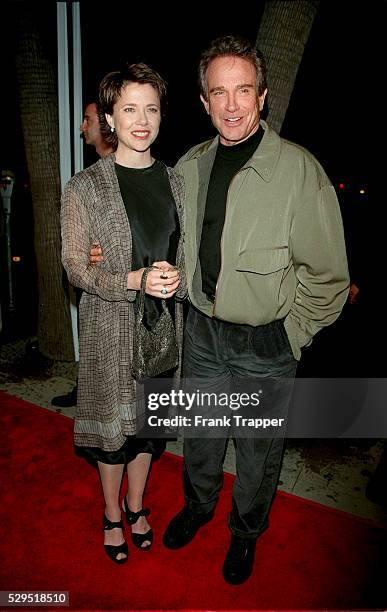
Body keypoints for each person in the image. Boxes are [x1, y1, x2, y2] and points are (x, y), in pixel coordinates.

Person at [90, 36, 349, 583]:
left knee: (257, 455)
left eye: (244, 91)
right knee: (202, 438)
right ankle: (200, 507)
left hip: (265, 343)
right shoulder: (189, 166)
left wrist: (290, 335)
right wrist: (101, 250)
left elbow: (328, 277)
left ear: (262, 98)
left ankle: (245, 533)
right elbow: (153, 226)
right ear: (205, 103)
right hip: (202, 333)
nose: (232, 105)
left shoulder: (300, 171)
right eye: (219, 93)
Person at [60, 62, 185, 564]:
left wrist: (180, 278)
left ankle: (137, 505)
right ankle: (112, 513)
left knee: (146, 433)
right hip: (109, 331)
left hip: (162, 330)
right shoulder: (85, 186)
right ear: (109, 117)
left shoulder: (178, 183)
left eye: (150, 108)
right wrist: (128, 280)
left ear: (161, 116)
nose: (141, 119)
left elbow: (191, 251)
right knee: (112, 434)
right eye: (129, 108)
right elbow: (74, 266)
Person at [52, 102, 115, 409]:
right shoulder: (87, 180)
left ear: (106, 123)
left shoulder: (125, 171)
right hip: (94, 282)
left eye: (87, 120)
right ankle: (87, 389)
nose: (81, 127)